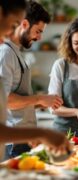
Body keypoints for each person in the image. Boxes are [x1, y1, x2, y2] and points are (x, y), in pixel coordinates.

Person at [0, 0, 70, 161]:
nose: (39, 38)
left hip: (21, 140)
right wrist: (39, 98)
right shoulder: (5, 53)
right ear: (24, 24)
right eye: (37, 31)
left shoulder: (15, 52)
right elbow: (6, 101)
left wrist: (42, 102)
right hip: (13, 143)